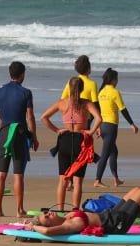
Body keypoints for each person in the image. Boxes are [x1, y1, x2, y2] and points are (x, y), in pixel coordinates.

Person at [0, 61, 39, 217]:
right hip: (19, 134)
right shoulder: (26, 92)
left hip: (4, 133)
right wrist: (34, 136)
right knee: (18, 174)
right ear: (22, 75)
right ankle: (20, 210)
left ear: (10, 74)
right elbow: (30, 117)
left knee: (1, 173)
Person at [41, 77, 101, 210]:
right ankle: (75, 211)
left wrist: (57, 130)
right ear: (82, 89)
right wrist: (90, 132)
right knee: (77, 181)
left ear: (69, 88)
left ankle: (60, 210)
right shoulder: (86, 103)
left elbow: (43, 117)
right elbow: (99, 118)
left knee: (63, 179)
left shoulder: (61, 103)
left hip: (65, 140)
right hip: (81, 141)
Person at [28, 186, 140, 237]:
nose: (49, 213)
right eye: (47, 217)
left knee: (135, 191)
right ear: (50, 225)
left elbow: (46, 228)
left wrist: (29, 223)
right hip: (116, 223)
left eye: (46, 212)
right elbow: (47, 232)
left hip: (111, 214)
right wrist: (34, 227)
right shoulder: (69, 225)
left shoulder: (66, 217)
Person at [93, 68, 138, 189]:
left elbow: (97, 111)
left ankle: (116, 179)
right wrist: (132, 124)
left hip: (102, 126)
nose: (117, 81)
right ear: (113, 80)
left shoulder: (101, 92)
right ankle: (97, 180)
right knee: (106, 153)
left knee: (113, 151)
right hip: (111, 126)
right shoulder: (114, 92)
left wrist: (97, 126)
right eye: (117, 78)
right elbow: (123, 109)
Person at [60, 56, 99, 193]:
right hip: (85, 120)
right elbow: (95, 104)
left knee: (69, 153)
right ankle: (74, 181)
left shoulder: (71, 82)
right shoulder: (92, 84)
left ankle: (69, 181)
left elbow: (64, 98)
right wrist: (96, 127)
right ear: (89, 68)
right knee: (80, 153)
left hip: (69, 120)